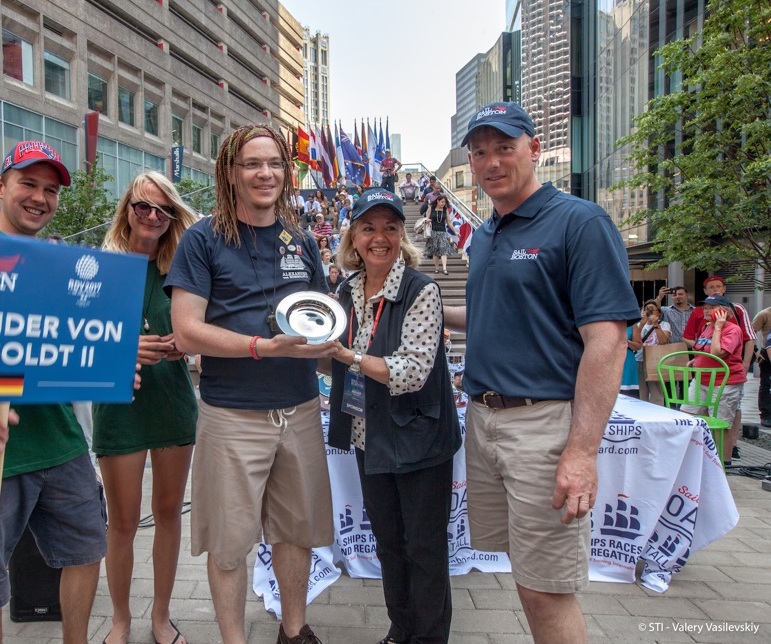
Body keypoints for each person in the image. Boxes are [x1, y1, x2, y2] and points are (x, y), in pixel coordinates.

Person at [443, 102, 639, 644]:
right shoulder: (483, 236)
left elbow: (608, 340)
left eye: (505, 147)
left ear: (534, 148)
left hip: (545, 426)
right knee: (525, 573)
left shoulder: (579, 221)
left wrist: (580, 452)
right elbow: (482, 316)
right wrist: (422, 303)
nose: (491, 162)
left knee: (545, 587)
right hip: (484, 422)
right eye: (480, 152)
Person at [0, 141, 112, 644]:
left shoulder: (62, 262)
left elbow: (78, 344)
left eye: (50, 190)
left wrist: (112, 367)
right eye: (28, 184)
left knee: (86, 549)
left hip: (60, 440)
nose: (40, 197)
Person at [165, 124, 334, 644]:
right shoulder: (202, 238)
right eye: (253, 164)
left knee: (296, 532)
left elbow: (324, 319)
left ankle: (294, 629)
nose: (266, 174)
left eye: (275, 164)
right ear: (231, 174)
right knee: (229, 542)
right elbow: (186, 330)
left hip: (300, 408)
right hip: (231, 414)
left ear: (287, 172)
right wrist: (260, 347)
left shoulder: (300, 239)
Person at [326, 188, 460, 644]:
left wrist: (348, 357)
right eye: (368, 227)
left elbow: (412, 371)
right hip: (369, 436)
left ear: (402, 235)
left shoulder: (422, 289)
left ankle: (428, 637)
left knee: (423, 547)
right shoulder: (346, 290)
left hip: (419, 437)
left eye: (389, 227)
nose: (378, 237)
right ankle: (401, 629)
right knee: (387, 543)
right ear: (354, 236)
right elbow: (331, 350)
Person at [92, 172, 198, 644]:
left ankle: (161, 615)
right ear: (127, 209)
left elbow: (201, 330)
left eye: (163, 210)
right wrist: (122, 348)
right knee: (124, 521)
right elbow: (78, 342)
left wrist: (184, 343)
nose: (153, 216)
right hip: (121, 405)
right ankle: (120, 618)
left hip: (173, 400)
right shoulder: (101, 268)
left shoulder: (181, 270)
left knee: (170, 512)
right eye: (143, 207)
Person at [682, 275, 755, 461]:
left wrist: (718, 327)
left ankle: (723, 463)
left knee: (721, 425)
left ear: (723, 311)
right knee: (686, 416)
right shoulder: (707, 326)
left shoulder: (731, 329)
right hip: (702, 379)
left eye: (711, 308)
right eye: (705, 307)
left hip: (725, 382)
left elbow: (717, 352)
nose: (706, 311)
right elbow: (701, 348)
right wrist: (696, 360)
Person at [633, 299, 672, 405]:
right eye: (647, 309)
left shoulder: (664, 325)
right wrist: (642, 323)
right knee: (641, 391)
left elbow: (663, 341)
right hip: (640, 359)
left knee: (656, 392)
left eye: (653, 310)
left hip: (656, 360)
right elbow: (634, 340)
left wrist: (655, 325)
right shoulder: (638, 325)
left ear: (658, 313)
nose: (650, 312)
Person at [424, 195, 459, 275]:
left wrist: (455, 232)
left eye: (445, 202)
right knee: (435, 251)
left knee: (444, 250)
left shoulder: (445, 210)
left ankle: (444, 268)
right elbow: (426, 218)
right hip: (433, 232)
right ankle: (437, 268)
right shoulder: (431, 208)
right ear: (438, 201)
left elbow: (449, 222)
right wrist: (427, 221)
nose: (443, 204)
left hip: (442, 232)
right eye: (442, 202)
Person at [751, 306, 771, 428]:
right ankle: (766, 415)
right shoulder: (764, 314)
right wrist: (754, 351)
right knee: (766, 385)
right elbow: (750, 332)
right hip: (767, 353)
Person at [621, 326, 640, 398]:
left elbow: (638, 345)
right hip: (609, 360)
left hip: (627, 361)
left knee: (628, 395)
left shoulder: (632, 325)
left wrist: (627, 342)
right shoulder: (606, 322)